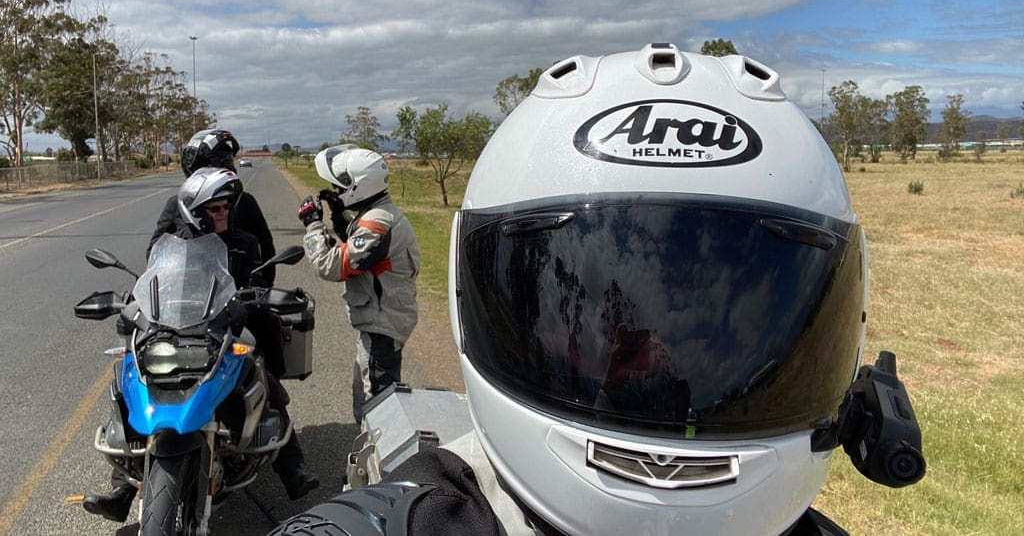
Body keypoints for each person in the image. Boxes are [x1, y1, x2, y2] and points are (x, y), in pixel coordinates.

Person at [268, 44, 922, 535]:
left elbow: (337, 269)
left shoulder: (374, 225)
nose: (647, 345)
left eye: (713, 323)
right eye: (598, 316)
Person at [83, 168, 317, 523]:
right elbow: (153, 282)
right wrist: (133, 305)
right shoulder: (171, 244)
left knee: (265, 380)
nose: (224, 213)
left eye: (225, 207)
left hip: (226, 328)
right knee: (132, 380)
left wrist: (258, 298)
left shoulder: (245, 243)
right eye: (215, 208)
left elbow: (261, 279)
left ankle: (292, 469)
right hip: (175, 329)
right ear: (194, 210)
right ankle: (122, 488)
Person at [297, 145, 420, 423]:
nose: (336, 191)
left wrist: (313, 226)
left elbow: (330, 266)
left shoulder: (379, 223)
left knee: (376, 404)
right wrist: (338, 214)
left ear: (358, 187)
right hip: (385, 317)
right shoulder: (378, 211)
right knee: (370, 396)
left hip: (383, 325)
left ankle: (382, 462)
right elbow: (359, 246)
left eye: (340, 187)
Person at [148, 128, 277, 284]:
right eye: (219, 164)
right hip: (187, 293)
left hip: (236, 295)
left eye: (229, 162)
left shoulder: (244, 201)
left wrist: (264, 292)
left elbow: (265, 249)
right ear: (196, 167)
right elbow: (154, 255)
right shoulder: (177, 204)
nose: (227, 169)